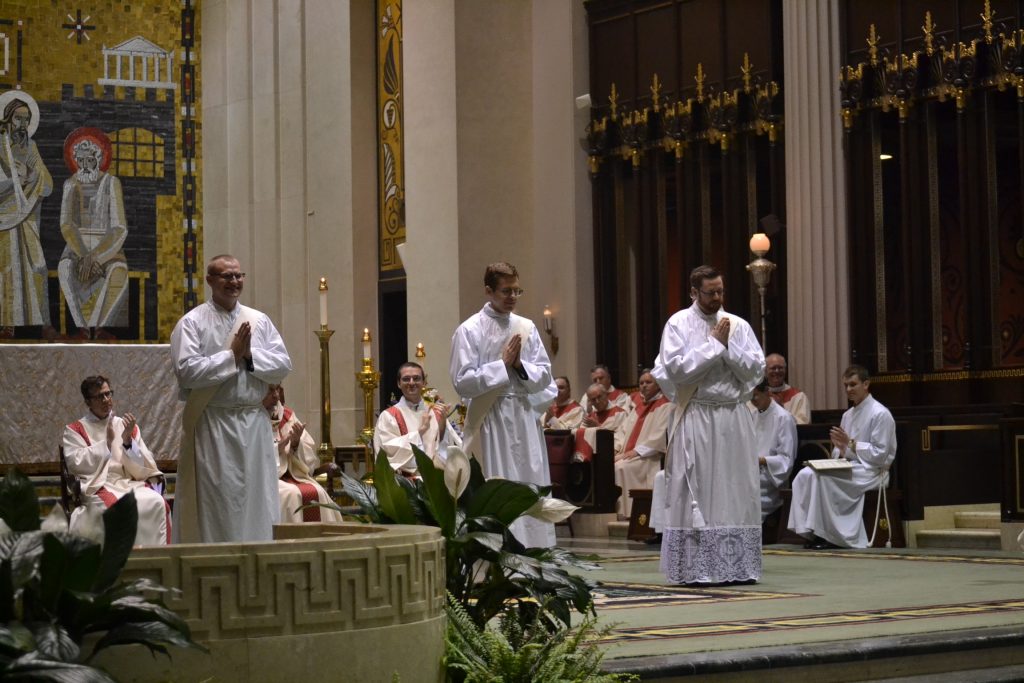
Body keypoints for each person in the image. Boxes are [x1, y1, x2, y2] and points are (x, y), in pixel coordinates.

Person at [652, 264, 765, 584]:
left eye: (721, 291)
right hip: (698, 414)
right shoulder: (678, 323)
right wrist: (714, 346)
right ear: (693, 292)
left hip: (732, 416)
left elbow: (755, 371)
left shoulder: (738, 325)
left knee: (736, 490)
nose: (717, 298)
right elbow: (677, 371)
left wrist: (727, 348)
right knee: (698, 488)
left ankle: (737, 567)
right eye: (710, 292)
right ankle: (695, 568)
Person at [170, 254, 292, 543]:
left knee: (257, 499)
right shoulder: (192, 323)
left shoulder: (259, 321)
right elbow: (186, 372)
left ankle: (258, 563)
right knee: (218, 501)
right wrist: (230, 357)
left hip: (253, 422)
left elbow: (283, 364)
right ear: (210, 280)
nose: (234, 282)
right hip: (215, 424)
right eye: (226, 276)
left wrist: (250, 356)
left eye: (238, 276)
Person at [450, 261, 557, 548]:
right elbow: (462, 382)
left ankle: (535, 553)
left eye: (517, 291)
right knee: (496, 483)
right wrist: (501, 366)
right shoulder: (469, 330)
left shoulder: (526, 327)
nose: (512, 297)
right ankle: (495, 556)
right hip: (490, 420)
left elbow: (545, 374)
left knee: (528, 482)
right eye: (506, 291)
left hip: (522, 418)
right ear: (488, 291)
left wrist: (520, 366)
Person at [787, 365, 896, 549]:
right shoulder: (848, 415)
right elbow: (842, 450)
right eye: (845, 385)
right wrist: (840, 449)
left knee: (825, 478)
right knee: (805, 475)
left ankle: (832, 536)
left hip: (873, 472)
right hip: (852, 465)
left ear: (866, 384)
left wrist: (851, 444)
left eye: (853, 385)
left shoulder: (880, 414)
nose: (848, 390)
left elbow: (880, 455)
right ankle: (811, 532)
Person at [62, 376, 169, 546]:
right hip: (99, 485)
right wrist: (106, 443)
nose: (106, 400)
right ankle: (119, 565)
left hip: (127, 482)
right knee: (115, 508)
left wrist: (127, 441)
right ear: (88, 402)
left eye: (108, 394)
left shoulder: (125, 425)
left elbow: (144, 465)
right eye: (99, 397)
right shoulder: (75, 430)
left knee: (157, 503)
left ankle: (153, 563)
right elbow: (76, 463)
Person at [57, 133, 129, 339]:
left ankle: (99, 328)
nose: (86, 165)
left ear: (99, 159)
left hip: (109, 247)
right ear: (75, 161)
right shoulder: (70, 184)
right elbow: (67, 224)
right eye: (81, 160)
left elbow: (119, 226)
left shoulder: (111, 183)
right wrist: (83, 255)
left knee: (118, 271)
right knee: (65, 268)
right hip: (77, 247)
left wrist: (97, 257)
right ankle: (82, 328)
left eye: (90, 159)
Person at [0, 92, 54, 338]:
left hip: (26, 214)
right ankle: (7, 322)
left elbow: (46, 182)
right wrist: (13, 180)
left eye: (26, 119)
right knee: (8, 266)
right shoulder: (0, 145)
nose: (22, 125)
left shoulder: (30, 146)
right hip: (4, 215)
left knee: (37, 265)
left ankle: (37, 321)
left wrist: (30, 174)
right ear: (8, 119)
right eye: (18, 119)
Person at [263, 385, 343, 524]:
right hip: (266, 479)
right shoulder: (251, 418)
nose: (276, 395)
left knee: (318, 492)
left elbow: (309, 462)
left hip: (294, 475)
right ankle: (292, 544)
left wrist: (295, 444)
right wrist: (277, 449)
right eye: (270, 390)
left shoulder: (287, 416)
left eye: (278, 389)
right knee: (292, 495)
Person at [373, 361, 462, 476]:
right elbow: (387, 450)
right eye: (406, 379)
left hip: (435, 480)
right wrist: (419, 433)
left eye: (416, 378)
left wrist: (443, 426)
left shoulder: (436, 412)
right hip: (405, 483)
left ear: (424, 382)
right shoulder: (389, 416)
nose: (411, 383)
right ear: (398, 383)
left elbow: (449, 449)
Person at [615, 369, 673, 519]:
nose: (644, 386)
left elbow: (659, 436)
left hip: (648, 457)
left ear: (659, 384)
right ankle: (619, 512)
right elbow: (623, 430)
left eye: (648, 382)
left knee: (621, 467)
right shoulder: (638, 407)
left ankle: (630, 514)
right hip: (630, 454)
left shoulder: (665, 405)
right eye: (641, 383)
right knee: (613, 464)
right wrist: (616, 450)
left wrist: (635, 452)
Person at [750, 378, 798, 521]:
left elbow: (786, 459)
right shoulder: (752, 416)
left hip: (770, 479)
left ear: (767, 391)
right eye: (750, 397)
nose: (753, 400)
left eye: (755, 395)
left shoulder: (784, 418)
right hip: (752, 472)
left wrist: (762, 460)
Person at [572, 383, 629, 463]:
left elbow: (621, 439)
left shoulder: (620, 413)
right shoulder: (591, 416)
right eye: (593, 399)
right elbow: (581, 434)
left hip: (611, 456)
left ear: (606, 394)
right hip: (591, 458)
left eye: (599, 397)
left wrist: (598, 426)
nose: (597, 401)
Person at [765, 353, 810, 424]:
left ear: (785, 370)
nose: (777, 371)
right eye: (773, 368)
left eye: (780, 368)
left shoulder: (799, 396)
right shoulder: (759, 395)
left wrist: (781, 410)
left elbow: (804, 423)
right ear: (765, 371)